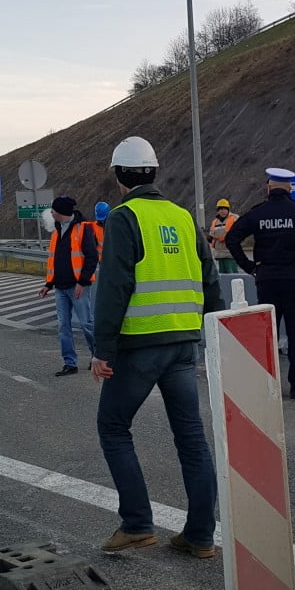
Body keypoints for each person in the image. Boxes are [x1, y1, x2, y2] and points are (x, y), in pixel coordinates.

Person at [91, 135, 224, 558]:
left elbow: (114, 287)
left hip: (139, 345)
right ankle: (200, 536)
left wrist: (102, 350)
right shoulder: (183, 216)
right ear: (153, 172)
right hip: (183, 343)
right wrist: (218, 333)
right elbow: (210, 278)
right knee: (191, 438)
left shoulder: (123, 217)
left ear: (119, 176)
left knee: (113, 427)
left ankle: (137, 524)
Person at [225, 167, 295, 399]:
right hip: (294, 279)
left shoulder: (258, 212)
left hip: (266, 280)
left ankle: (265, 385)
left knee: (267, 334)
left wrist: (249, 266)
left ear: (269, 188)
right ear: (290, 188)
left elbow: (232, 238)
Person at [39, 195, 99, 376]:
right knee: (63, 326)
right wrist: (48, 284)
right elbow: (54, 261)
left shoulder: (83, 229)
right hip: (60, 287)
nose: (51, 213)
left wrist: (82, 282)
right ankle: (70, 363)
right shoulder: (56, 230)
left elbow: (92, 257)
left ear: (62, 212)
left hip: (78, 286)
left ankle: (98, 356)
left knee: (86, 324)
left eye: (54, 210)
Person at [207, 198, 239, 273]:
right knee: (222, 277)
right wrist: (207, 237)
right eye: (221, 209)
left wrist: (224, 238)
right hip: (219, 255)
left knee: (232, 276)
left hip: (231, 254)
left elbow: (239, 233)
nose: (223, 211)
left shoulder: (234, 219)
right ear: (218, 211)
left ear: (228, 210)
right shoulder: (215, 222)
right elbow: (211, 238)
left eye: (225, 209)